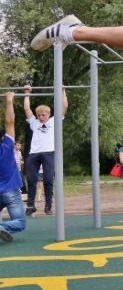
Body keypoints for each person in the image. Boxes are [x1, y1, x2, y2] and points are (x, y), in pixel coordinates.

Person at [23, 85, 68, 216]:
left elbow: (64, 106)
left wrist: (62, 90)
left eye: (43, 115)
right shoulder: (34, 123)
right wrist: (27, 93)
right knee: (31, 179)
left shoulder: (55, 121)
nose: (41, 117)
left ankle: (48, 206)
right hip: (34, 153)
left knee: (48, 180)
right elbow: (26, 108)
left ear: (48, 114)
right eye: (39, 115)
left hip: (49, 152)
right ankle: (31, 205)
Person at [0, 92, 26, 243]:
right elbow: (9, 121)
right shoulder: (7, 146)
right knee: (20, 223)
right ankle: (2, 227)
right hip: (10, 192)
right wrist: (9, 101)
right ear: (2, 138)